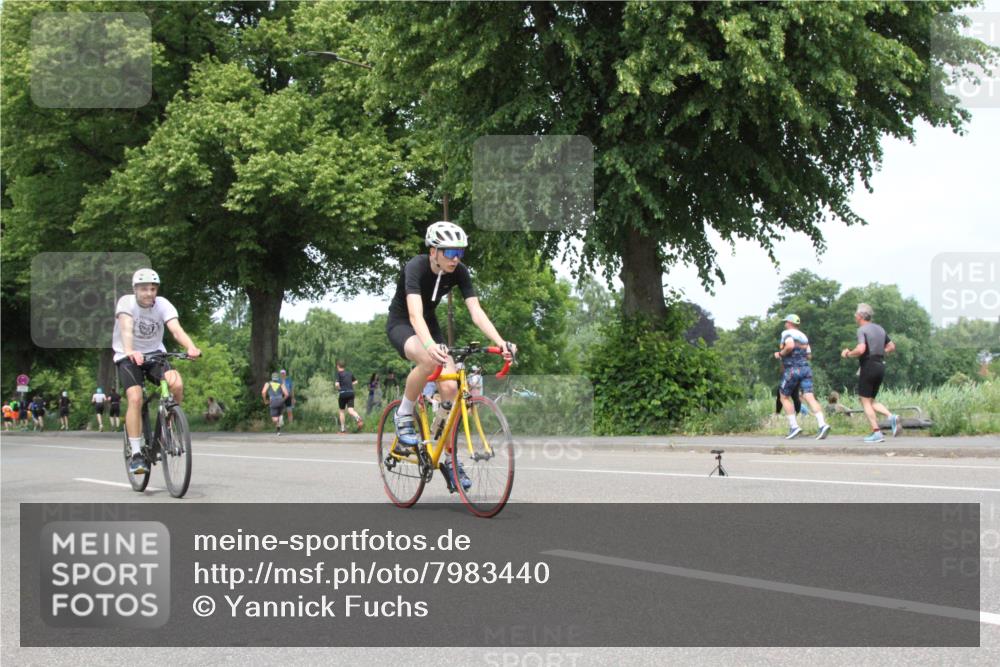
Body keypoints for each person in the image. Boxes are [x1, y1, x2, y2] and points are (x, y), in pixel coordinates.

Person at [384, 221, 516, 490]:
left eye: (460, 253)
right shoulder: (415, 267)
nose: (456, 259)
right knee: (428, 358)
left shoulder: (460, 271)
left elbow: (476, 313)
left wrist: (501, 342)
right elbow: (414, 315)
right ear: (433, 251)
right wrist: (429, 344)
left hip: (429, 324)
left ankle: (451, 460)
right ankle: (404, 414)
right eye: (450, 253)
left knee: (451, 386)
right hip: (403, 323)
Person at [115, 268, 202, 474]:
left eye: (153, 289)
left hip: (155, 355)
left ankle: (169, 429)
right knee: (135, 398)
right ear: (135, 289)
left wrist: (190, 347)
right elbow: (126, 328)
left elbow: (175, 329)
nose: (149, 293)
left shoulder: (162, 304)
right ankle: (136, 454)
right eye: (144, 289)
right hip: (127, 356)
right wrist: (130, 351)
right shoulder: (126, 303)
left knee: (176, 383)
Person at [841, 303, 899, 443]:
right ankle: (891, 417)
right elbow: (891, 346)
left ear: (860, 316)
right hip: (880, 365)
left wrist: (848, 353)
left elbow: (861, 349)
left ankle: (876, 432)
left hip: (868, 366)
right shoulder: (880, 328)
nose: (855, 316)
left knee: (864, 400)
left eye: (856, 314)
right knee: (870, 400)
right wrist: (879, 352)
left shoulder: (862, 330)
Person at [774, 314, 830, 440]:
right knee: (809, 396)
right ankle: (822, 424)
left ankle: (794, 427)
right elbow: (809, 355)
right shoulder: (804, 336)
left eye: (786, 322)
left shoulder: (787, 333)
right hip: (806, 369)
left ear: (789, 323)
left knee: (784, 397)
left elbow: (789, 346)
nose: (785, 324)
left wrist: (780, 354)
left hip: (792, 369)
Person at [335, 360, 363, 433]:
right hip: (351, 393)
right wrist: (349, 385)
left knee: (341, 411)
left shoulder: (339, 374)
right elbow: (356, 381)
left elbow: (337, 384)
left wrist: (339, 389)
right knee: (351, 410)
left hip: (343, 393)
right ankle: (358, 418)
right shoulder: (349, 373)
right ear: (344, 366)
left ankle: (343, 430)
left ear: (338, 366)